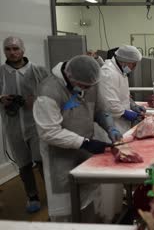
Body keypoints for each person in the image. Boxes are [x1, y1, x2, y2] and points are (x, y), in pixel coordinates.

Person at [33, 55, 122, 222]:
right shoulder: (48, 90)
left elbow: (101, 109)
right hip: (58, 156)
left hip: (85, 152)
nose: (86, 90)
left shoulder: (91, 83)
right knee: (65, 206)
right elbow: (49, 132)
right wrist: (84, 142)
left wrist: (110, 127)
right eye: (83, 86)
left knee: (89, 198)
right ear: (69, 76)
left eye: (89, 86)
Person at [0, 36, 49, 213]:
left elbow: (52, 94)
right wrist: (2, 99)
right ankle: (32, 196)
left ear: (23, 50)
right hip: (12, 126)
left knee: (42, 160)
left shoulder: (38, 71)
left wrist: (36, 100)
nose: (12, 52)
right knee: (23, 164)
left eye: (15, 48)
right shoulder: (1, 73)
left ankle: (52, 194)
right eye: (8, 49)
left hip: (36, 125)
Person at [98, 45, 145, 133]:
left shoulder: (120, 71)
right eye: (133, 64)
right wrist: (125, 113)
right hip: (112, 124)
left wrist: (132, 105)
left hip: (121, 122)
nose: (134, 68)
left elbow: (122, 93)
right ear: (124, 62)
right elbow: (109, 103)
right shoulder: (108, 73)